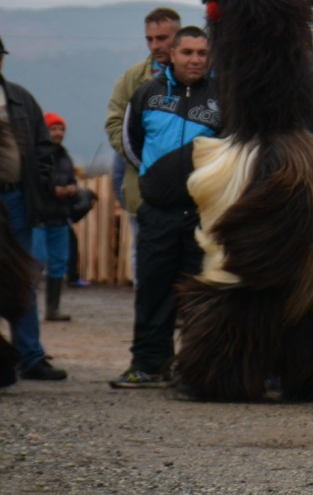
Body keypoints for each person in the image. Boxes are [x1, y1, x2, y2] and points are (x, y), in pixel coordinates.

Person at [174, 0, 313, 403]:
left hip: (265, 156)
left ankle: (227, 370)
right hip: (290, 158)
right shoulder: (287, 65)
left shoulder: (258, 68)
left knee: (250, 277)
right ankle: (312, 373)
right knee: (304, 287)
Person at [110, 26, 219, 389]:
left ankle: (195, 368)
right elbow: (131, 143)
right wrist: (157, 179)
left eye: (202, 53)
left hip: (203, 214)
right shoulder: (147, 94)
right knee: (153, 292)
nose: (195, 60)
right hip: (157, 212)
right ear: (172, 54)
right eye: (187, 52)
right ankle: (148, 365)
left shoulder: (224, 98)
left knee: (200, 294)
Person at [0, 35, 67, 381]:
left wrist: (39, 184)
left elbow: (44, 150)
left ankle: (30, 356)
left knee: (22, 275)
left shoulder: (21, 99)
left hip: (15, 198)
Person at [105, 8, 180, 281]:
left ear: (178, 36)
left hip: (190, 188)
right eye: (149, 39)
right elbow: (115, 124)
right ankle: (146, 315)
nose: (155, 45)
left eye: (162, 38)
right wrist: (146, 159)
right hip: (144, 187)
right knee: (145, 254)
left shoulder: (198, 76)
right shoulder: (133, 79)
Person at [31, 112, 79, 321]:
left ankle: (53, 308)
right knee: (36, 262)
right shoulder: (35, 155)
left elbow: (72, 179)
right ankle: (27, 309)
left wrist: (72, 189)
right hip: (39, 218)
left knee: (59, 263)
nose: (58, 133)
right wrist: (53, 191)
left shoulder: (65, 157)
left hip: (60, 217)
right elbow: (32, 182)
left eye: (61, 129)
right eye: (54, 129)